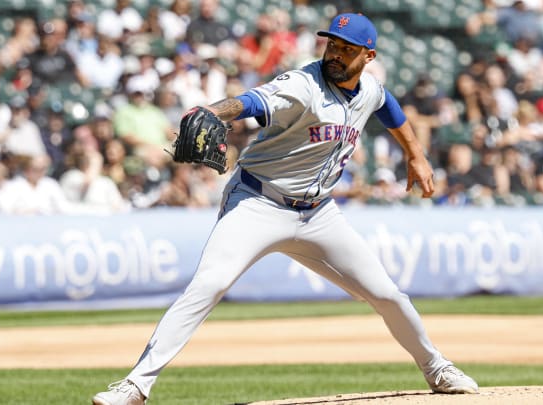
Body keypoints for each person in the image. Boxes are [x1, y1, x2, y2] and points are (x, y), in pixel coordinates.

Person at [91, 13, 478, 405]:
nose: (337, 54)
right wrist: (213, 111)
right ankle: (136, 385)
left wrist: (416, 155)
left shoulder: (370, 90)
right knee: (210, 283)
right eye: (333, 45)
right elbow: (250, 101)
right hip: (258, 202)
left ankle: (437, 368)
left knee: (388, 295)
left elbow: (389, 108)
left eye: (347, 49)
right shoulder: (301, 84)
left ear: (368, 56)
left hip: (318, 215)